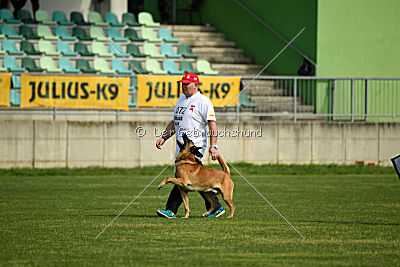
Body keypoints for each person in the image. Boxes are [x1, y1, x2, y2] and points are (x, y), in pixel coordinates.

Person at [155, 72, 224, 218]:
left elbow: (212, 124)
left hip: (194, 146)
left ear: (196, 85)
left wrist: (213, 146)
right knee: (192, 179)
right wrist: (164, 137)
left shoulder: (203, 101)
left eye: (187, 84)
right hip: (181, 145)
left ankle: (171, 210)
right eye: (183, 84)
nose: (184, 86)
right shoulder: (181, 99)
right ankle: (216, 207)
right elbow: (175, 122)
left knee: (183, 177)